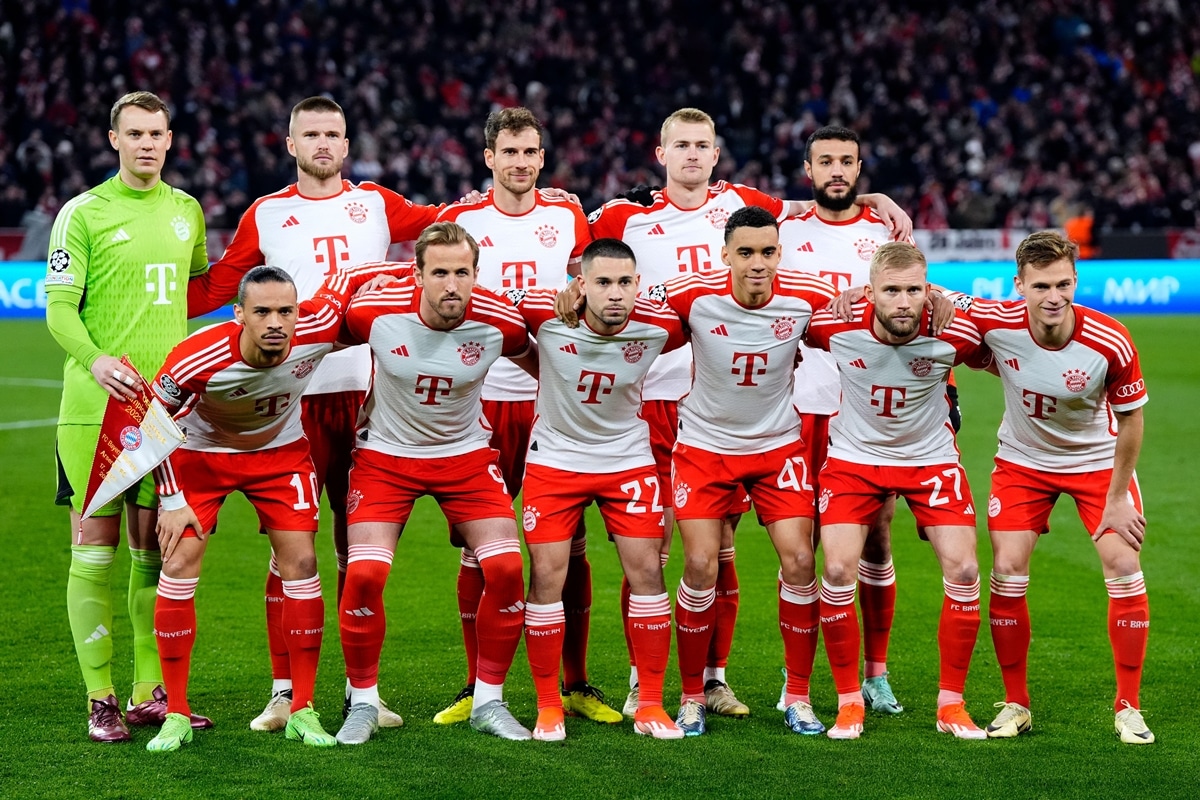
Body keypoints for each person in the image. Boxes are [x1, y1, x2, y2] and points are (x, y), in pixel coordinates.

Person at [589, 108, 912, 718]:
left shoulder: (744, 203)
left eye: (702, 145)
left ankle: (714, 680)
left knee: (726, 549)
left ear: (716, 155)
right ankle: (642, 679)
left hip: (743, 405)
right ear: (661, 153)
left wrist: (875, 197)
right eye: (681, 145)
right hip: (651, 398)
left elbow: (820, 199)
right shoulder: (622, 217)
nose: (691, 154)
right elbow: (583, 266)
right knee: (655, 550)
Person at [186, 96, 436, 732]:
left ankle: (363, 693)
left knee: (361, 550)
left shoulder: (377, 203)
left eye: (333, 134)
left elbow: (450, 224)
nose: (323, 143)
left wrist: (521, 198)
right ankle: (283, 693)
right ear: (291, 144)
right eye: (311, 134)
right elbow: (218, 286)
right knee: (288, 549)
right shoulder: (266, 213)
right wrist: (140, 295)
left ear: (346, 145)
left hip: (367, 395)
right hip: (289, 400)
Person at [143, 262, 393, 752]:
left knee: (301, 564)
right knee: (179, 562)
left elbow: (345, 279)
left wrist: (409, 272)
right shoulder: (198, 356)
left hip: (280, 456)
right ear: (239, 314)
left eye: (285, 311)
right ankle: (175, 713)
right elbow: (149, 419)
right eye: (262, 312)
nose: (276, 322)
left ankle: (302, 708)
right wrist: (170, 500)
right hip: (202, 456)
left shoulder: (317, 327)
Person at [433, 108, 616, 725]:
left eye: (530, 151)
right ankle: (474, 686)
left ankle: (576, 683)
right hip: (480, 396)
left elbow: (590, 286)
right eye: (509, 151)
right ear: (489, 157)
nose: (520, 162)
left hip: (551, 396)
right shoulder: (461, 220)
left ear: (542, 156)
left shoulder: (566, 215)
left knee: (571, 543)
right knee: (476, 547)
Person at [45, 90, 212, 742]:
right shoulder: (82, 213)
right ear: (114, 139)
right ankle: (101, 698)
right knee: (94, 553)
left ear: (170, 140)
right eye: (134, 133)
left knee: (155, 555)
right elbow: (59, 309)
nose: (147, 143)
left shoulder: (187, 211)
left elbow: (194, 289)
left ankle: (148, 693)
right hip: (95, 414)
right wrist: (95, 361)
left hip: (163, 412)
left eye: (156, 133)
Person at [335, 222, 536, 744]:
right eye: (440, 273)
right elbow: (312, 342)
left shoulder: (500, 323)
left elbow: (546, 365)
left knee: (507, 569)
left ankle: (488, 702)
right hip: (385, 457)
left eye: (462, 272)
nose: (452, 285)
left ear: (476, 274)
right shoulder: (375, 312)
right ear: (417, 274)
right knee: (364, 576)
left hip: (465, 457)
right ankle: (363, 702)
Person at [647, 206, 835, 736]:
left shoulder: (807, 298)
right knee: (699, 565)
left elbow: (867, 314)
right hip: (705, 447)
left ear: (780, 253)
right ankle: (692, 697)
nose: (758, 263)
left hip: (777, 448)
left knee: (801, 560)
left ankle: (798, 696)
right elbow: (629, 308)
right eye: (746, 253)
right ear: (725, 254)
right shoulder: (692, 295)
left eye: (768, 252)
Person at [958, 231, 1152, 744]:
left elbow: (1132, 420)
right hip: (1023, 463)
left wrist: (1117, 498)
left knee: (1125, 566)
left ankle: (1129, 707)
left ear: (1075, 281)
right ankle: (1016, 703)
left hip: (1097, 464)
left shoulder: (1109, 339)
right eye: (1041, 285)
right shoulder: (996, 321)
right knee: (1006, 570)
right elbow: (925, 291)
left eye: (1063, 284)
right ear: (1019, 284)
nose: (1054, 296)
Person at [804, 241, 991, 740]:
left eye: (914, 290)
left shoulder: (955, 331)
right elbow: (783, 311)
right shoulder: (835, 324)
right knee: (837, 570)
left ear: (928, 291)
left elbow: (1009, 331)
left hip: (930, 460)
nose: (903, 302)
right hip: (854, 460)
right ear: (870, 293)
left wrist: (950, 299)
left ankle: (951, 705)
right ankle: (849, 703)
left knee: (966, 570)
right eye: (891, 291)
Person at [776, 125, 932, 714]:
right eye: (826, 161)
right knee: (801, 547)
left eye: (847, 161)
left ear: (859, 168)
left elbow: (917, 303)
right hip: (801, 403)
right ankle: (797, 677)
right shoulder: (785, 230)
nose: (837, 170)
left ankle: (876, 673)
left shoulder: (887, 230)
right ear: (808, 170)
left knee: (878, 537)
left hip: (871, 408)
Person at [511, 238, 687, 741]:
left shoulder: (661, 325)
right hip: (556, 460)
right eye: (603, 282)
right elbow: (496, 300)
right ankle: (549, 707)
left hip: (626, 458)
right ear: (581, 284)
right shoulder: (544, 313)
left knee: (648, 572)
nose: (615, 293)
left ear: (638, 284)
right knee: (547, 577)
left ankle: (650, 705)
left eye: (625, 282)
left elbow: (716, 301)